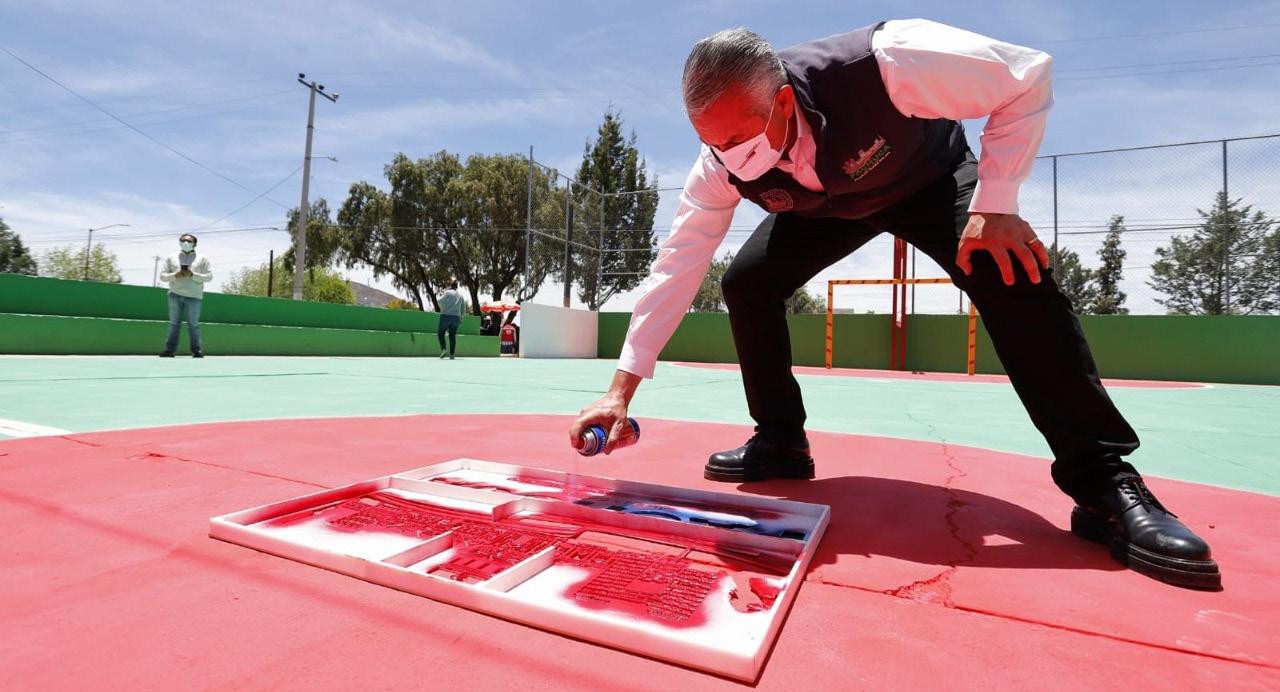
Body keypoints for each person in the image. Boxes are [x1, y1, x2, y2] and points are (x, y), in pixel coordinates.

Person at [569, 20, 1219, 589]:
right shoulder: (721, 163)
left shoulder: (888, 62)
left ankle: (1102, 481)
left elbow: (1026, 76)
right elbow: (678, 264)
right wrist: (619, 392)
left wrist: (997, 201)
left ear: (784, 100)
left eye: (741, 139)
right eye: (716, 145)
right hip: (827, 207)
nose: (733, 160)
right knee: (746, 281)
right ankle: (781, 442)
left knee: (1007, 268)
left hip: (926, 180)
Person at [158, 233, 212, 358]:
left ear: (195, 244)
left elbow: (209, 277)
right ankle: (169, 350)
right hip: (174, 295)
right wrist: (175, 275)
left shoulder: (203, 258)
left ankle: (196, 351)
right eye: (182, 240)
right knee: (174, 324)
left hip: (194, 296)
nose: (185, 243)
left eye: (188, 241)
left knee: (193, 324)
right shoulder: (171, 257)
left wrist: (193, 275)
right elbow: (162, 276)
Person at [437, 281, 466, 359]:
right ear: (457, 287)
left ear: (450, 286)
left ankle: (443, 349)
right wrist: (461, 318)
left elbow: (439, 301)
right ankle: (452, 354)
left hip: (445, 316)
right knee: (452, 335)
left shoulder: (447, 292)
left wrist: (440, 294)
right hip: (456, 317)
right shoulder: (461, 296)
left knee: (441, 333)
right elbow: (463, 309)